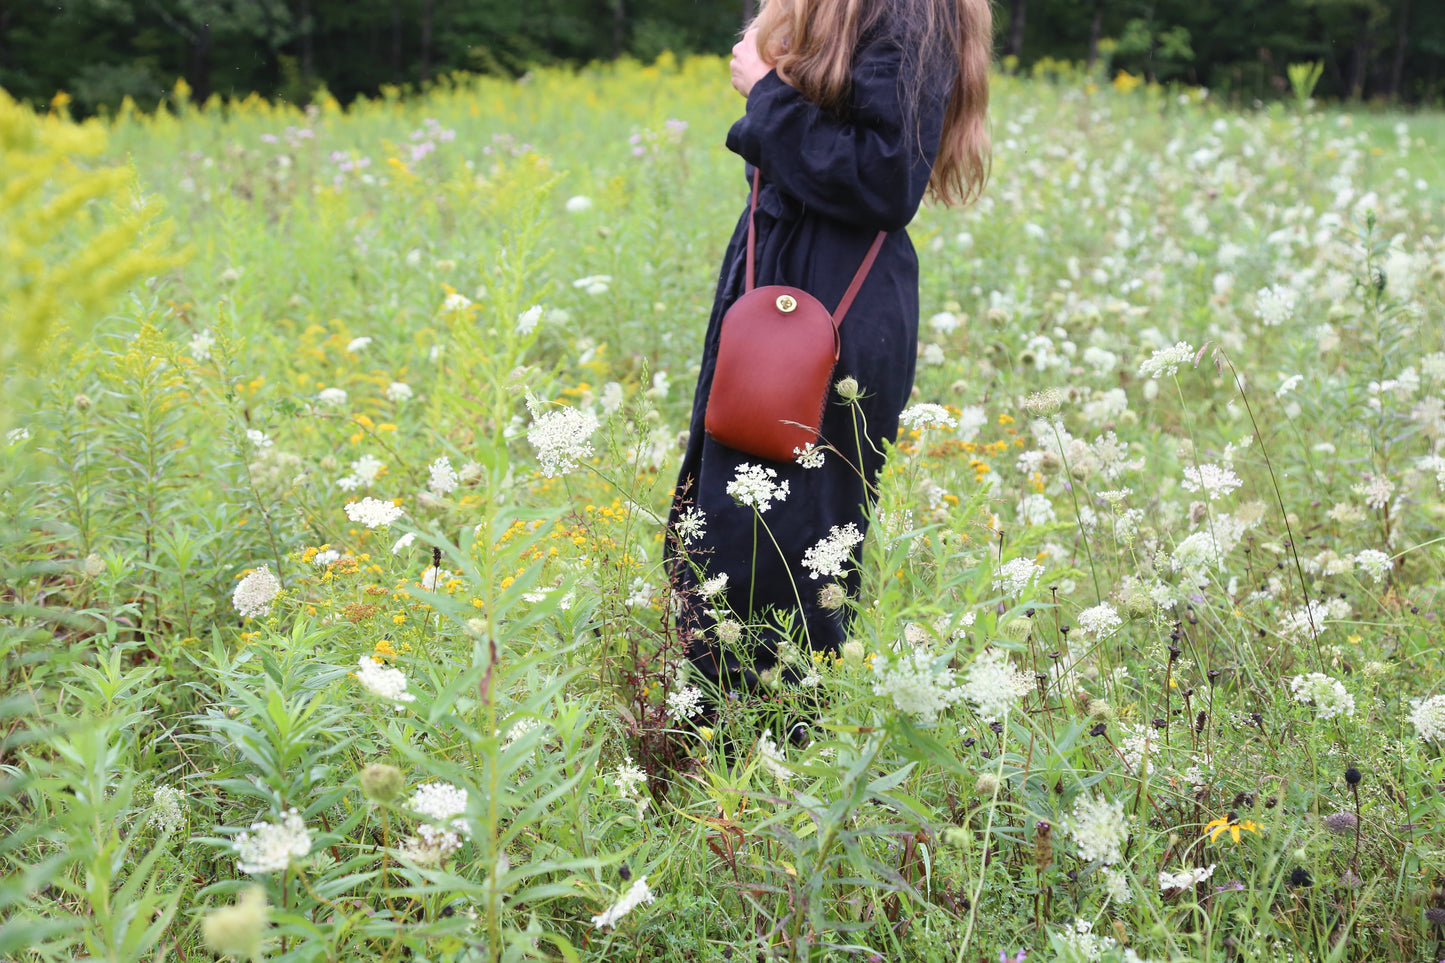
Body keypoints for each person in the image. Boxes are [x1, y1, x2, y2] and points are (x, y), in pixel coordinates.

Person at [666, 0, 992, 705]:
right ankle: (718, 743)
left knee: (785, 543)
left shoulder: (908, 9)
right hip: (790, 275)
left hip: (832, 294)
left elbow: (884, 177)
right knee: (734, 525)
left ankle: (770, 752)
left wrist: (766, 94)